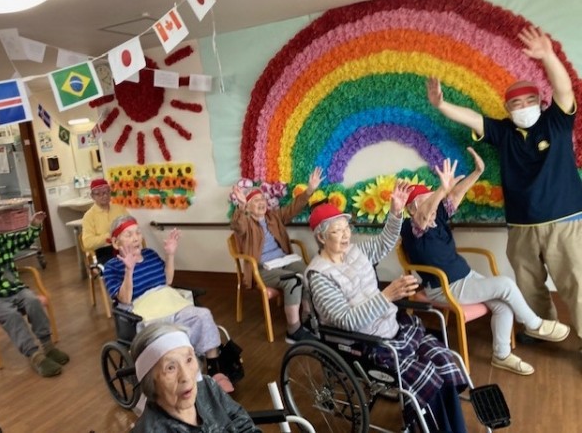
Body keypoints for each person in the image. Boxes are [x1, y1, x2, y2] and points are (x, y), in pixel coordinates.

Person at [427, 26, 582, 351]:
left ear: (540, 102)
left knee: (577, 284)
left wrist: (548, 55)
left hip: (564, 221)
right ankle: (540, 330)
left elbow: (564, 90)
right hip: (521, 225)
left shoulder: (555, 122)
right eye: (516, 103)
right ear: (508, 108)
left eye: (529, 100)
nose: (523, 106)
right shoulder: (504, 132)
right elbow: (472, 119)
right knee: (529, 284)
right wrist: (441, 105)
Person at [305, 184, 469, 433]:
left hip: (391, 328)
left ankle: (453, 425)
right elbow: (347, 321)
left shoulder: (355, 251)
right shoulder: (319, 275)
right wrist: (387, 296)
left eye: (347, 228)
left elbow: (384, 243)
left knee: (445, 360)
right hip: (364, 344)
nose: (346, 235)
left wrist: (395, 213)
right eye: (337, 231)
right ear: (321, 237)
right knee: (429, 379)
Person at [400, 150, 570, 375]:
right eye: (425, 201)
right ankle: (534, 324)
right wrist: (441, 189)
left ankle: (501, 355)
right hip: (444, 287)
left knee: (503, 305)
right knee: (505, 285)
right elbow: (423, 216)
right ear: (411, 209)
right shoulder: (412, 228)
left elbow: (455, 196)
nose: (433, 205)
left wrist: (477, 172)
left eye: (432, 198)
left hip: (465, 278)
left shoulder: (437, 217)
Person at [102, 215, 234, 392]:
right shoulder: (111, 267)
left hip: (170, 302)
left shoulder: (150, 254)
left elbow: (168, 280)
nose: (135, 238)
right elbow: (124, 299)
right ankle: (186, 379)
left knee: (203, 315)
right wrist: (129, 269)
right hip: (145, 314)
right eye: (129, 234)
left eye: (138, 232)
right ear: (116, 242)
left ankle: (215, 371)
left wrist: (170, 254)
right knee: (173, 336)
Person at [230, 168, 323, 343]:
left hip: (283, 260)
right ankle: (293, 330)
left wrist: (310, 190)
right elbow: (237, 226)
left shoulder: (273, 217)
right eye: (256, 200)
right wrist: (241, 207)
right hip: (262, 268)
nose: (261, 202)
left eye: (262, 199)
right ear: (248, 206)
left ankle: (306, 317)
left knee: (309, 274)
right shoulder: (245, 223)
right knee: (293, 281)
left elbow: (293, 208)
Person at [130, 323, 261, 433]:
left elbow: (241, 421)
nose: (186, 377)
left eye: (189, 360)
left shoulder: (207, 386)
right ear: (150, 382)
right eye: (170, 368)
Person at [0, 211, 68, 377]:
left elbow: (27, 238)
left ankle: (48, 346)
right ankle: (35, 356)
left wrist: (34, 224)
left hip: (16, 289)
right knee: (12, 315)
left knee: (33, 301)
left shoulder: (4, 241)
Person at [82, 178, 129, 267]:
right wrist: (110, 236)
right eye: (98, 194)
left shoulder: (119, 208)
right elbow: (87, 243)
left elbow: (130, 226)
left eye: (106, 192)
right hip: (105, 252)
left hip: (125, 247)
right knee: (117, 269)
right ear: (92, 196)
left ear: (110, 193)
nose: (104, 196)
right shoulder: (89, 216)